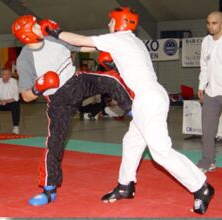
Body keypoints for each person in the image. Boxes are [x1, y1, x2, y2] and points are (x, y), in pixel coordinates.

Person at [45, 7, 215, 214]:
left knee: (161, 153)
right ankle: (126, 185)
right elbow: (88, 51)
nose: (108, 25)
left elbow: (81, 42)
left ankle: (201, 187)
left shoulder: (119, 39)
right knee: (132, 142)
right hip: (147, 98)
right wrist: (62, 43)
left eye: (110, 22)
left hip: (148, 99)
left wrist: (55, 32)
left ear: (119, 22)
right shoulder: (133, 41)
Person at [12, 15, 133, 206]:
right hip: (58, 99)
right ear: (26, 34)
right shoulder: (24, 60)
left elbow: (82, 46)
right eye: (34, 26)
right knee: (54, 144)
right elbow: (26, 96)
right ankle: (49, 190)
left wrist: (109, 45)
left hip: (77, 82)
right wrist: (38, 88)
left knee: (110, 79)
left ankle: (133, 111)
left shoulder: (52, 38)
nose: (39, 27)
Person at [197, 11, 222, 173]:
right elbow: (204, 66)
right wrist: (201, 85)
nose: (210, 26)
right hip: (211, 92)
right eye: (208, 23)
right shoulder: (205, 41)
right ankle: (208, 161)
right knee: (207, 129)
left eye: (215, 23)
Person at [0, 68, 20, 134]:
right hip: (0, 102)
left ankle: (15, 127)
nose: (6, 76)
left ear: (10, 75)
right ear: (1, 75)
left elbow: (16, 97)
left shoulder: (14, 82)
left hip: (11, 102)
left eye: (8, 74)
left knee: (16, 105)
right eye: (4, 74)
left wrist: (6, 101)